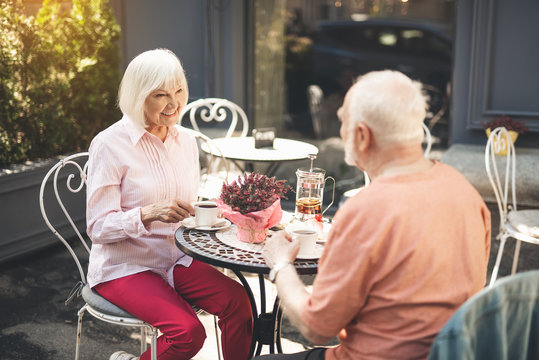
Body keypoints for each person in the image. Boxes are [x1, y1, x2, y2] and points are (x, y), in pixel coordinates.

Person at [257, 70, 491, 360]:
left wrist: (280, 264)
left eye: (343, 120)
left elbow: (316, 326)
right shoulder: (464, 190)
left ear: (362, 135)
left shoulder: (365, 210)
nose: (340, 130)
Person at [86, 48, 253, 360]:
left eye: (179, 91)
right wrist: (147, 215)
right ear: (138, 96)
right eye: (161, 94)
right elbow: (98, 228)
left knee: (240, 304)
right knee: (188, 333)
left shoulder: (186, 141)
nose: (175, 104)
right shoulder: (109, 145)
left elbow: (188, 206)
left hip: (178, 259)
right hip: (125, 266)